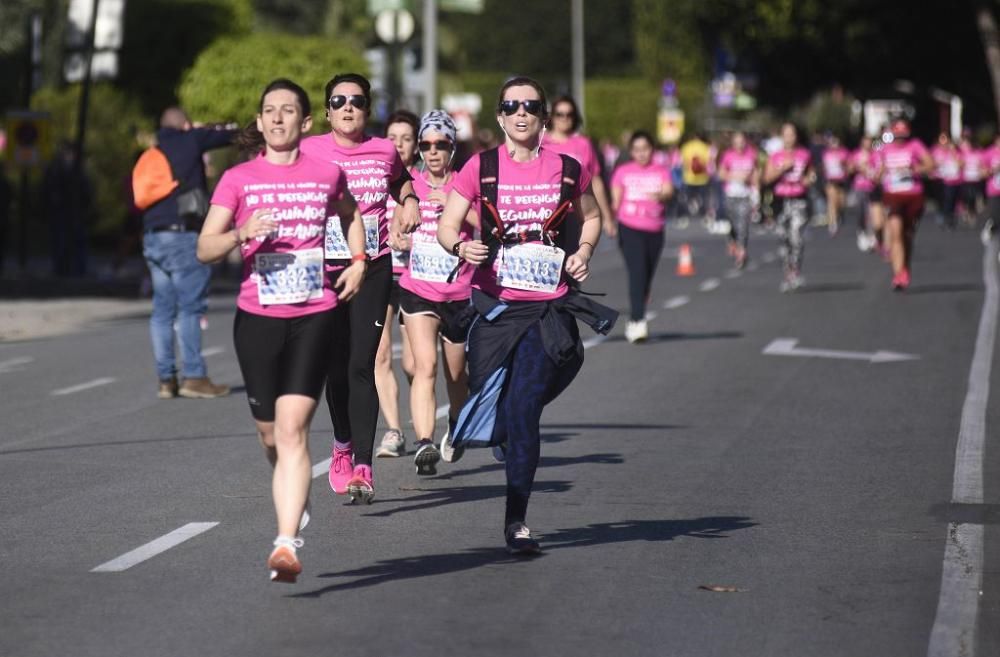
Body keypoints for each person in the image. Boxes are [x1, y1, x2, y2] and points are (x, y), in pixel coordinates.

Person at [437, 76, 617, 555]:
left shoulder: (566, 168)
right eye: (512, 106)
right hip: (494, 307)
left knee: (524, 408)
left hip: (546, 306)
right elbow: (447, 224)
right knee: (491, 395)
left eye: (531, 106)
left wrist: (583, 250)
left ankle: (516, 520)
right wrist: (461, 245)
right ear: (500, 116)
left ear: (542, 117)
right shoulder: (481, 167)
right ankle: (504, 431)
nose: (521, 113)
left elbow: (593, 216)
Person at [195, 78, 364, 583]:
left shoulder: (326, 172)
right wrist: (240, 233)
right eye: (269, 110)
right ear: (261, 119)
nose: (277, 118)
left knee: (292, 430)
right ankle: (293, 493)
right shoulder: (239, 179)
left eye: (287, 111)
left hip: (315, 313)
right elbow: (205, 248)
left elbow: (351, 215)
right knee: (270, 434)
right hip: (258, 318)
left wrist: (358, 260)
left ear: (305, 122)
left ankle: (286, 542)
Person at [300, 73, 420, 504]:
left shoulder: (383, 149)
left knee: (361, 363)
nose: (348, 107)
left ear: (368, 109)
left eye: (357, 101)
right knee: (334, 366)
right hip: (324, 269)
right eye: (339, 100)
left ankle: (364, 467)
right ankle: (343, 444)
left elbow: (401, 180)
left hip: (372, 266)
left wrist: (409, 201)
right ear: (328, 111)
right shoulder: (309, 149)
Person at [398, 110, 477, 474]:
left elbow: (489, 224)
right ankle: (424, 442)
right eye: (426, 145)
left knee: (456, 376)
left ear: (452, 148)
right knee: (424, 365)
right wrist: (399, 235)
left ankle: (457, 425)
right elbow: (397, 226)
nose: (432, 152)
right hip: (418, 291)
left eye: (440, 145)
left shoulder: (465, 183)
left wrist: (456, 210)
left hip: (459, 294)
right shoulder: (409, 184)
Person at [142, 106, 236, 399]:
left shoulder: (155, 149)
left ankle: (166, 379)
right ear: (185, 125)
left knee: (162, 310)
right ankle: (194, 376)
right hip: (182, 236)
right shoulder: (191, 139)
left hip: (153, 236)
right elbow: (230, 136)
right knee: (190, 308)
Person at [373, 110, 419, 458]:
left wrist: (412, 240)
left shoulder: (422, 180)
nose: (399, 144)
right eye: (392, 138)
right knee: (381, 351)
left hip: (419, 278)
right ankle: (393, 430)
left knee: (414, 364)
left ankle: (424, 420)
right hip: (383, 275)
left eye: (406, 138)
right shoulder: (373, 181)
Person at [609, 130, 673, 343]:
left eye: (645, 149)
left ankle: (639, 307)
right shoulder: (622, 171)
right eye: (637, 150)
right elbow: (616, 200)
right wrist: (610, 221)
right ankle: (638, 321)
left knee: (646, 276)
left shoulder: (661, 170)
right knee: (637, 273)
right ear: (631, 152)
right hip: (629, 227)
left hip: (655, 228)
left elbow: (669, 191)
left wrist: (661, 194)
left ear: (652, 150)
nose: (641, 153)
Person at [543, 95, 616, 237]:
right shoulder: (541, 143)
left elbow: (595, 181)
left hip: (577, 213)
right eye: (560, 114)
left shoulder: (583, 144)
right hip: (548, 214)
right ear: (552, 116)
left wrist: (607, 217)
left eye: (569, 114)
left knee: (575, 257)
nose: (565, 118)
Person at [879, 118, 933, 290]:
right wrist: (877, 174)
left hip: (913, 196)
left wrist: (913, 169)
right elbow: (879, 169)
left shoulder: (915, 145)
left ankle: (904, 268)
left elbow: (930, 164)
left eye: (904, 136)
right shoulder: (885, 149)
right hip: (893, 195)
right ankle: (898, 274)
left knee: (907, 235)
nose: (901, 139)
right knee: (896, 233)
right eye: (898, 136)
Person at [763, 122, 814, 292]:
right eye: (786, 135)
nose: (789, 138)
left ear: (796, 136)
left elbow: (810, 174)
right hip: (781, 200)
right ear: (781, 137)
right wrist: (783, 168)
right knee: (783, 238)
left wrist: (808, 180)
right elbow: (767, 178)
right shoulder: (775, 156)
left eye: (792, 134)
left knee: (796, 237)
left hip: (799, 200)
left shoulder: (804, 154)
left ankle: (795, 270)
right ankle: (787, 273)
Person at [43, 140, 92, 277]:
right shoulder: (59, 169)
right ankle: (65, 269)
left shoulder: (70, 168)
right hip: (64, 211)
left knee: (71, 241)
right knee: (63, 241)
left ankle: (71, 269)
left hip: (72, 211)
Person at [718, 130, 759, 269]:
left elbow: (755, 174)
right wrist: (735, 176)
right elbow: (721, 174)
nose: (740, 144)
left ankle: (741, 252)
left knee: (743, 226)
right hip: (730, 195)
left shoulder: (752, 155)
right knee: (732, 225)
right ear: (733, 143)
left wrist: (756, 191)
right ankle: (732, 241)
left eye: (742, 141)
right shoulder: (728, 156)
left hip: (745, 195)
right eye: (737, 141)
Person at [847, 136, 883, 252]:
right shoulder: (856, 154)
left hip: (872, 188)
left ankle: (871, 236)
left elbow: (879, 172)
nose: (867, 145)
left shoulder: (876, 155)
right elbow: (849, 169)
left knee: (871, 213)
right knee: (861, 212)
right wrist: (856, 166)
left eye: (869, 142)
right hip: (859, 188)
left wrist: (868, 169)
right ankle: (861, 232)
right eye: (865, 142)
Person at [931, 131, 962, 230]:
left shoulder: (953, 150)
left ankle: (949, 217)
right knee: (940, 199)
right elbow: (930, 163)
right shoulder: (935, 150)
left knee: (950, 199)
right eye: (942, 139)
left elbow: (960, 163)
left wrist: (952, 151)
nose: (944, 141)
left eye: (945, 139)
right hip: (937, 178)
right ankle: (942, 214)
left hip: (949, 179)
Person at [822, 134, 850, 235]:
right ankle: (832, 223)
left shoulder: (844, 152)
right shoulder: (826, 153)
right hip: (830, 181)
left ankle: (839, 213)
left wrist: (844, 166)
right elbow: (824, 167)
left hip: (841, 181)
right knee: (831, 201)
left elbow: (849, 167)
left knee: (841, 202)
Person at [680, 132, 712, 220]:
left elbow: (683, 162)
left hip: (689, 177)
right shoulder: (705, 147)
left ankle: (684, 214)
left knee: (687, 197)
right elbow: (708, 162)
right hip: (702, 178)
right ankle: (703, 213)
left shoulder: (686, 147)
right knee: (703, 197)